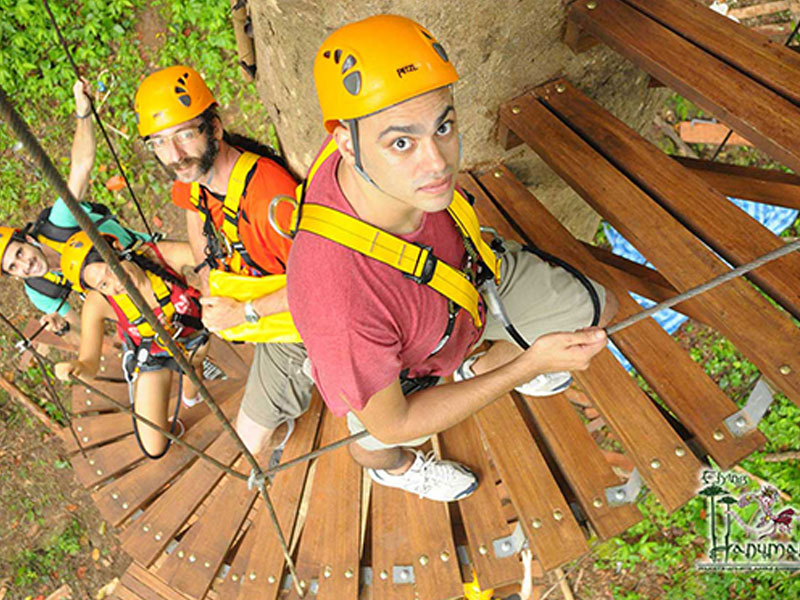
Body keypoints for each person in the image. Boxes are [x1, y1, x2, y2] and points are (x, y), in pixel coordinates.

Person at [287, 15, 620, 502]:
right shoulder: (342, 304)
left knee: (598, 310)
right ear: (346, 144)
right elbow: (395, 419)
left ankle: (468, 370)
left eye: (442, 126)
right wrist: (525, 367)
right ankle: (395, 471)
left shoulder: (364, 136)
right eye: (402, 143)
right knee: (379, 438)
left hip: (465, 287)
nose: (438, 163)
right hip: (400, 364)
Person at [134, 66, 313, 459]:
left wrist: (245, 312)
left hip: (296, 322)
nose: (175, 155)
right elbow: (192, 207)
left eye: (185, 135)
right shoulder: (194, 174)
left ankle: (296, 393)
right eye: (160, 143)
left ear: (214, 128)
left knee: (247, 447)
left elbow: (319, 286)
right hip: (253, 300)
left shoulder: (269, 199)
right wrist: (206, 274)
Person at [0, 79, 148, 342]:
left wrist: (83, 112)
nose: (26, 264)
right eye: (14, 266)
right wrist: (64, 328)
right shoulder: (39, 290)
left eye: (20, 252)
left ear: (30, 239)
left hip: (142, 253)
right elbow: (87, 336)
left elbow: (81, 167)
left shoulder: (59, 221)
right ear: (13, 276)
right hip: (121, 294)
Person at [54, 231, 208, 458]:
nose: (116, 284)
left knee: (193, 369)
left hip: (193, 339)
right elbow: (90, 365)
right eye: (103, 284)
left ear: (117, 248)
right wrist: (76, 368)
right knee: (154, 446)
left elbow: (213, 263)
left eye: (111, 269)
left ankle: (191, 395)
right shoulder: (99, 303)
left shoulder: (161, 257)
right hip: (155, 355)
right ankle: (183, 410)